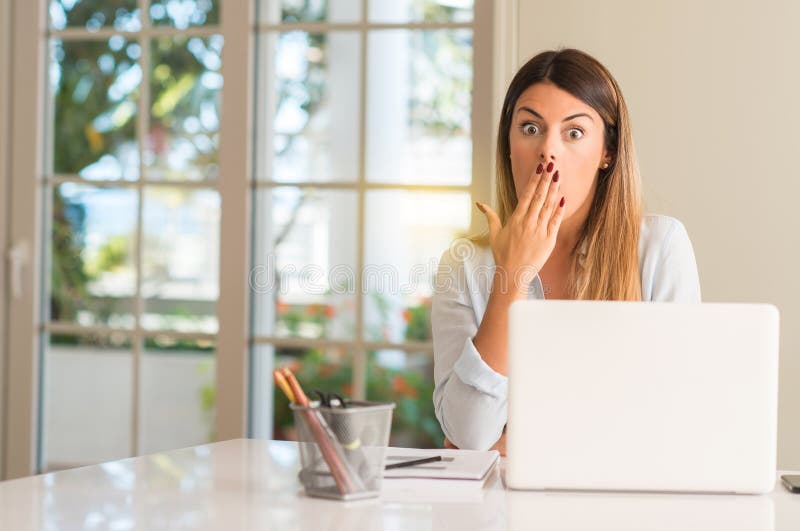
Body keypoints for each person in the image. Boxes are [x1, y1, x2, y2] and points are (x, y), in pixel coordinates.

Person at [431, 48, 701, 455]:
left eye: (573, 133)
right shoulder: (465, 264)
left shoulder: (660, 247)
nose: (547, 152)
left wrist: (519, 444)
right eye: (529, 128)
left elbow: (676, 421)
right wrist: (512, 279)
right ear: (509, 143)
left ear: (607, 152)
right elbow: (469, 434)